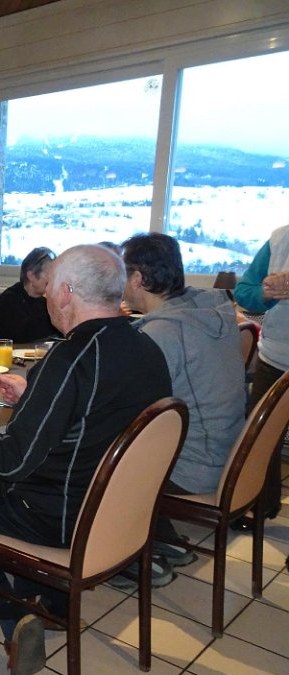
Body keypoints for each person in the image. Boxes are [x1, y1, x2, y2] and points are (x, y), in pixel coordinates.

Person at [0, 244, 172, 675]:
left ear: (65, 293)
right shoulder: (147, 349)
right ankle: (53, 602)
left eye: (48, 290)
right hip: (122, 515)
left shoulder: (70, 357)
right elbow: (100, 416)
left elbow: (11, 463)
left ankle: (13, 615)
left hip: (62, 519)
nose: (45, 298)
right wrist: (39, 397)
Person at [118, 232, 245, 584]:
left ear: (137, 279)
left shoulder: (162, 334)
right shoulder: (208, 311)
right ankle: (166, 540)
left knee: (96, 455)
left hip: (199, 468)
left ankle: (130, 556)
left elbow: (123, 410)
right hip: (232, 454)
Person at [233, 223, 289, 525]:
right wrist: (267, 292)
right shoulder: (281, 238)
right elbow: (245, 293)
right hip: (275, 357)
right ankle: (262, 505)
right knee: (261, 438)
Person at [0, 247, 59, 342]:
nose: (54, 280)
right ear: (31, 276)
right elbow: (28, 336)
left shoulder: (45, 300)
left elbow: (59, 333)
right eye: (50, 274)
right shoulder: (10, 299)